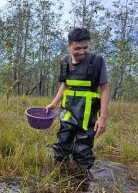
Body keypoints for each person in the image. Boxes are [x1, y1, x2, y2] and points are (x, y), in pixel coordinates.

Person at [46, 27, 110, 170]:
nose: (82, 52)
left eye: (85, 47)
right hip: (68, 113)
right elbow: (65, 85)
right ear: (69, 46)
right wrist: (54, 103)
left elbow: (104, 88)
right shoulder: (64, 62)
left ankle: (82, 183)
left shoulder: (97, 61)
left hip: (88, 116)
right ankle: (59, 176)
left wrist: (103, 117)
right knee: (62, 146)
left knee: (83, 151)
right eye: (77, 48)